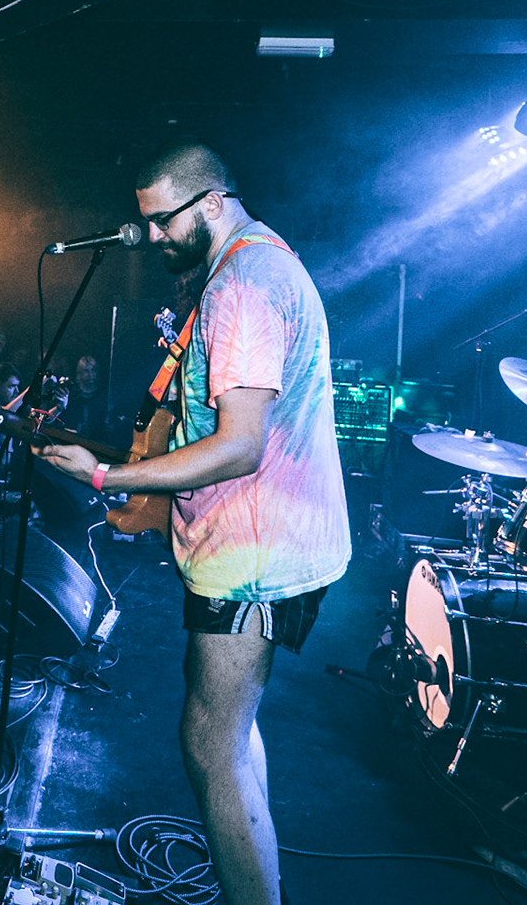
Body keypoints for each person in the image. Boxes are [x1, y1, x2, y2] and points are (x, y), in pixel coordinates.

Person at [35, 139, 351, 905]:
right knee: (233, 734)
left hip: (253, 556)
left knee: (210, 743)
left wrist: (106, 475)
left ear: (211, 202)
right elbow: (202, 423)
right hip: (266, 543)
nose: (153, 237)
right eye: (145, 222)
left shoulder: (242, 283)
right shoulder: (254, 261)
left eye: (164, 220)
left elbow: (239, 447)